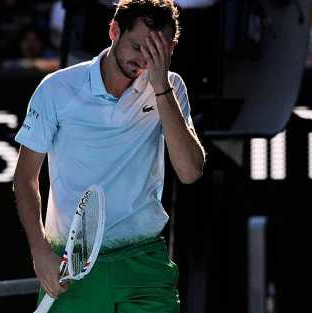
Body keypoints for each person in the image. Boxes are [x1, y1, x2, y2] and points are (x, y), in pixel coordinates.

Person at [13, 0, 206, 312]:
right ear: (114, 31)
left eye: (157, 50)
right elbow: (24, 178)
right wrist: (40, 251)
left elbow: (190, 172)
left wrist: (160, 87)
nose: (144, 59)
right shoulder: (56, 88)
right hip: (71, 266)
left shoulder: (170, 87)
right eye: (137, 46)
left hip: (145, 263)